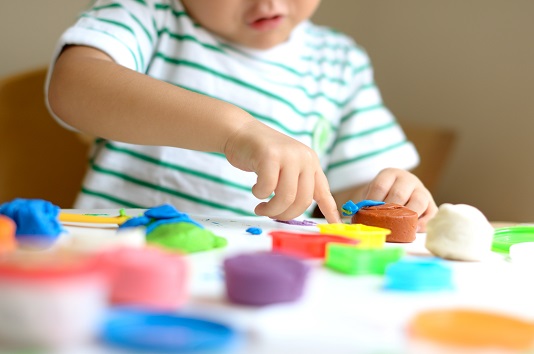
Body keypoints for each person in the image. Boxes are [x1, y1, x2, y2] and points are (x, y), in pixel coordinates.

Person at [46, 0, 437, 229]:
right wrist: (235, 131)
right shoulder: (150, 13)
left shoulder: (341, 61)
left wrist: (389, 195)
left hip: (264, 273)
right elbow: (73, 85)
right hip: (121, 251)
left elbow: (350, 197)